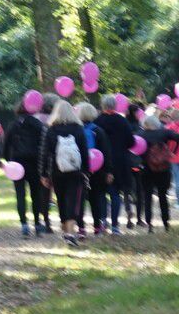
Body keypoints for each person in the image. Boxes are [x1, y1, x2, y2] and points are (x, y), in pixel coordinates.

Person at [41, 100, 90, 248]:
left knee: (61, 200)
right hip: (76, 171)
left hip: (57, 171)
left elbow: (45, 153)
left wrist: (44, 174)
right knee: (73, 201)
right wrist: (86, 171)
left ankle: (66, 231)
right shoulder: (78, 129)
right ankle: (70, 233)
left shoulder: (51, 129)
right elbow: (84, 151)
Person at [3, 101, 48, 235]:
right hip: (34, 163)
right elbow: (44, 143)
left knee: (20, 194)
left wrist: (9, 161)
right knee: (36, 194)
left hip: (17, 163)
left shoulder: (12, 125)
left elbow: (6, 146)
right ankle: (37, 223)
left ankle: (24, 224)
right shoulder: (38, 124)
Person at [94, 97, 135, 235]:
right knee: (115, 193)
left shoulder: (97, 121)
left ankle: (103, 221)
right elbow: (131, 142)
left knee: (101, 193)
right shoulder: (122, 121)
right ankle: (115, 225)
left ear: (102, 105)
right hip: (119, 161)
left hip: (101, 161)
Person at [136, 114, 179, 232]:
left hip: (146, 168)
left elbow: (134, 148)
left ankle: (149, 224)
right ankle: (166, 222)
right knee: (163, 196)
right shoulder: (164, 132)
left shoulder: (140, 134)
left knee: (147, 196)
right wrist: (173, 152)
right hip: (163, 168)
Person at [78, 102, 109, 235]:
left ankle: (81, 227)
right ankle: (97, 226)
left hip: (79, 169)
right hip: (97, 169)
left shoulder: (76, 130)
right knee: (95, 197)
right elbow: (106, 152)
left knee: (79, 199)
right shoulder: (98, 131)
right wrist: (108, 170)